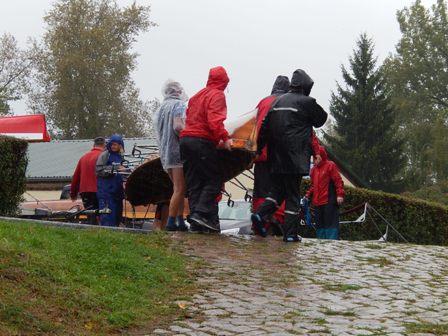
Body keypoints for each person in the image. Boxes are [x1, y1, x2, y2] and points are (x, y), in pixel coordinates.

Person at [252, 69, 328, 242]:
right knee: (293, 195)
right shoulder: (306, 102)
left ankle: (260, 214)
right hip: (295, 156)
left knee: (277, 191)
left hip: (275, 157)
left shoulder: (276, 102)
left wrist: (258, 149)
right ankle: (290, 234)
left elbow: (264, 127)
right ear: (306, 86)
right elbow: (321, 119)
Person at [180, 66, 233, 233]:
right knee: (214, 179)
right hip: (201, 141)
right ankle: (200, 213)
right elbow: (214, 120)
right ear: (224, 81)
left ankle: (196, 222)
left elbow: (189, 117)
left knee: (195, 181)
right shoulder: (217, 95)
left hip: (186, 140)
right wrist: (225, 138)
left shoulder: (197, 96)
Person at [154, 79, 188, 231]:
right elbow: (178, 126)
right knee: (180, 188)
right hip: (177, 152)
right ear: (177, 91)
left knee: (177, 188)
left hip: (165, 154)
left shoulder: (161, 109)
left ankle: (180, 220)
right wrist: (188, 134)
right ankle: (171, 222)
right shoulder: (179, 105)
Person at [305, 146, 344, 240]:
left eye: (315, 157)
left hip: (329, 202)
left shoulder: (330, 165)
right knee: (320, 226)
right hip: (317, 203)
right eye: (313, 157)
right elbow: (314, 185)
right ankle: (321, 246)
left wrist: (340, 195)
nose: (314, 160)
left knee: (330, 226)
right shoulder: (313, 170)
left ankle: (331, 246)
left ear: (320, 156)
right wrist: (307, 195)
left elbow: (338, 181)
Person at [70, 136, 105, 224]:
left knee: (90, 215)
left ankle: (91, 230)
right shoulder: (104, 157)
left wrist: (73, 194)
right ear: (104, 145)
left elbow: (76, 177)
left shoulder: (83, 158)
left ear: (94, 145)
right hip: (99, 190)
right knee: (102, 214)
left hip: (85, 191)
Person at [96, 134, 125, 227]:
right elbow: (99, 170)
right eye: (112, 144)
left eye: (115, 144)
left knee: (117, 217)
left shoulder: (121, 157)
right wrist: (115, 168)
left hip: (117, 192)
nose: (113, 146)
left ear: (120, 145)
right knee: (107, 217)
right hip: (106, 192)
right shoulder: (105, 154)